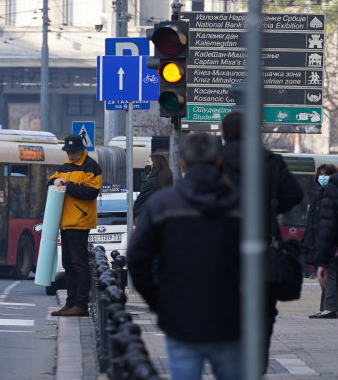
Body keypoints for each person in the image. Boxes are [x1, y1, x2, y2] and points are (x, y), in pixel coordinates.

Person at [128, 133, 241, 380]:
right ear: (219, 160)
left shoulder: (163, 205)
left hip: (180, 316)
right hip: (230, 317)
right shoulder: (240, 205)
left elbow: (137, 260)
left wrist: (159, 302)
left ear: (182, 162)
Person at [219, 110, 303, 373]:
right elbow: (294, 194)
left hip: (221, 254)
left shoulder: (214, 162)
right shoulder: (270, 161)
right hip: (262, 252)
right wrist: (270, 207)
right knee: (262, 318)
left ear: (223, 134)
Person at [49, 133, 102, 317]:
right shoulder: (65, 166)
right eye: (68, 152)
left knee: (79, 264)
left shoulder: (91, 167)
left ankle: (81, 304)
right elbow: (51, 180)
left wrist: (68, 186)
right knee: (69, 265)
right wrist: (55, 181)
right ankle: (70, 303)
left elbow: (91, 192)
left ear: (82, 150)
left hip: (79, 222)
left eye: (73, 152)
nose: (70, 155)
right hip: (65, 222)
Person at [302, 163, 338, 319]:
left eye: (326, 174)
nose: (322, 177)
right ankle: (325, 307)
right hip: (319, 242)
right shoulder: (319, 193)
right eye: (320, 174)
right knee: (323, 275)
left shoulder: (330, 193)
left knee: (330, 274)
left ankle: (329, 308)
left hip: (329, 242)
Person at [133, 153, 173, 221]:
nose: (146, 165)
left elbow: (140, 201)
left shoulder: (150, 182)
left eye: (148, 162)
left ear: (155, 165)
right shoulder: (168, 180)